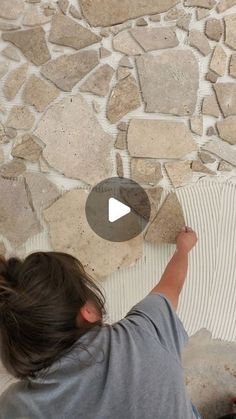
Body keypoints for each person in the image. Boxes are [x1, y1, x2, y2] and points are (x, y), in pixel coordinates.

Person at [0, 226, 202, 418]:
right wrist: (183, 249)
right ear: (87, 311)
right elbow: (171, 285)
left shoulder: (16, 406)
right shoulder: (145, 331)